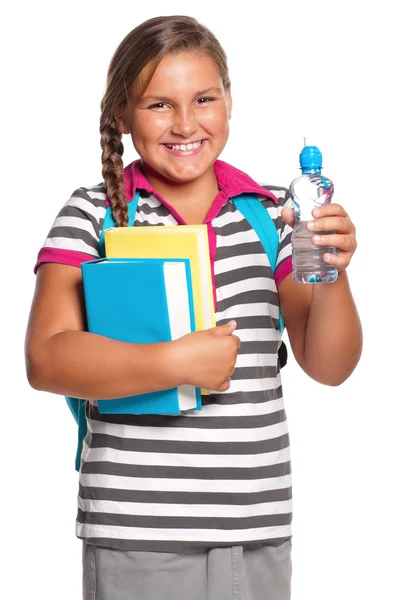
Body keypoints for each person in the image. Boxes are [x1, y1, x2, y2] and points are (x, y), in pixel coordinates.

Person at [25, 15, 362, 600]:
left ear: (229, 101)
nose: (185, 124)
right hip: (136, 532)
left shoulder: (271, 214)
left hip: (255, 529)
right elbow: (47, 359)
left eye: (203, 99)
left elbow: (330, 365)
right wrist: (175, 363)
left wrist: (332, 274)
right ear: (123, 117)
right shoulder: (95, 213)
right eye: (159, 105)